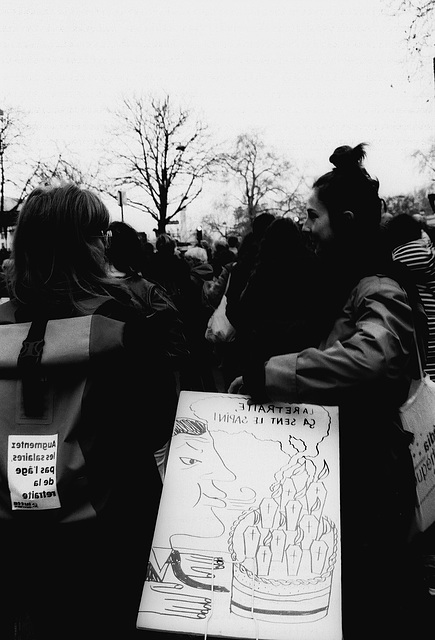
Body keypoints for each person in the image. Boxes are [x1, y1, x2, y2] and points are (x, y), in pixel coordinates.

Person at [230, 143, 430, 639]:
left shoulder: (378, 283)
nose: (307, 227)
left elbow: (373, 356)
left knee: (370, 600)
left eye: (313, 216)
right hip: (344, 466)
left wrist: (273, 375)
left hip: (370, 473)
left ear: (344, 219)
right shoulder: (342, 277)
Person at [0, 183, 170, 640]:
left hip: (16, 532)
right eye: (99, 234)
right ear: (82, 245)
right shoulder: (121, 322)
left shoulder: (0, 321)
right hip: (106, 533)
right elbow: (155, 421)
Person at [106, 220, 188, 479]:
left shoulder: (93, 292)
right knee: (159, 464)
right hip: (150, 400)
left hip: (126, 403)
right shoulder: (149, 292)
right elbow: (178, 348)